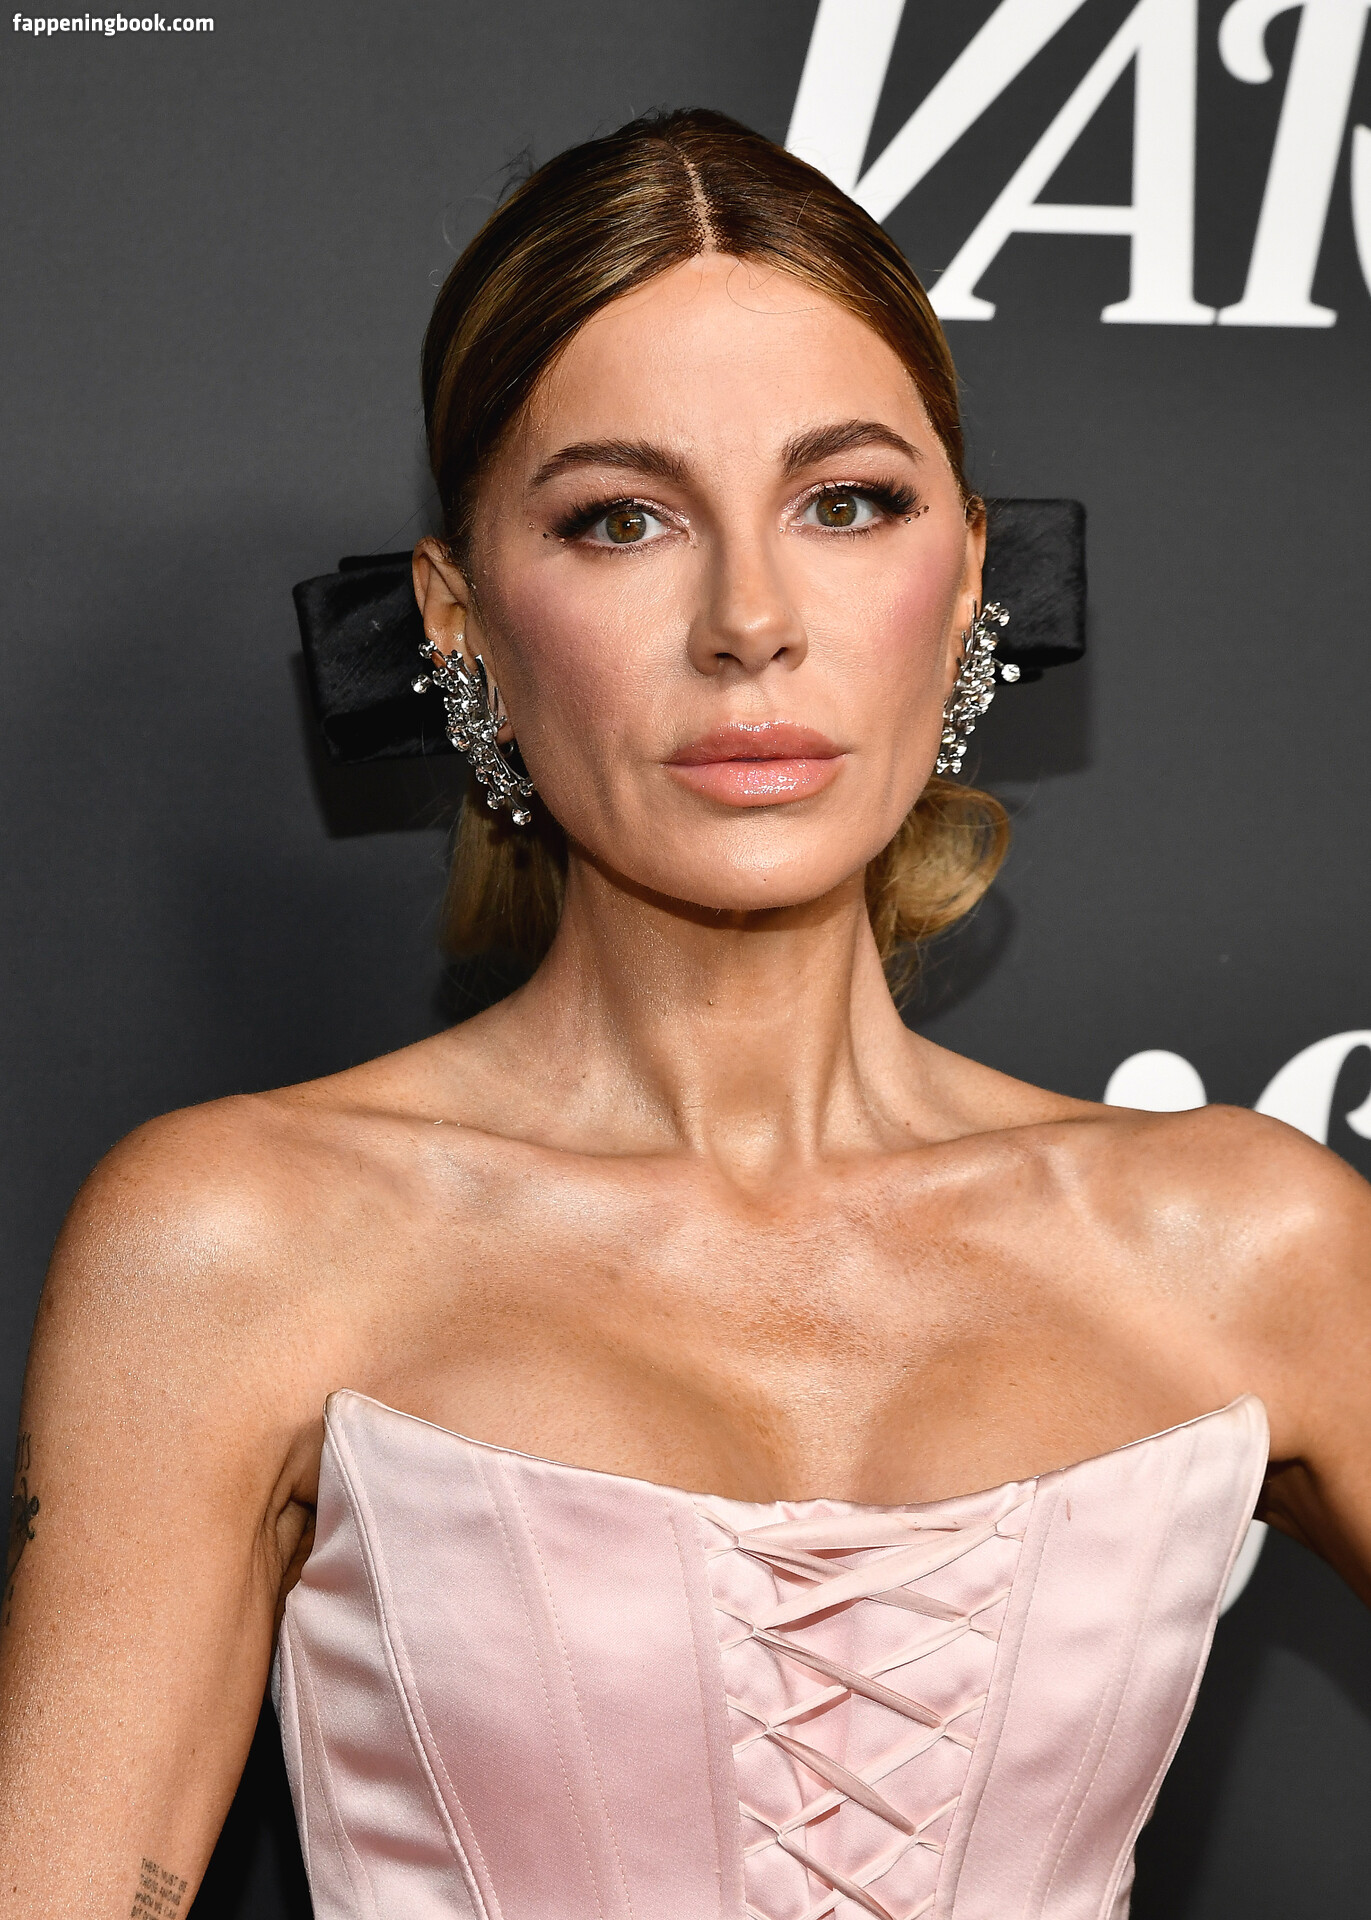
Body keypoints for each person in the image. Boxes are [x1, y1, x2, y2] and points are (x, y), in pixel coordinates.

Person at [1, 107, 1368, 1920]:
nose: (749, 622)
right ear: (458, 619)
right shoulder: (239, 1245)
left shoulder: (1254, 1244)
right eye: (621, 519)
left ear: (966, 580)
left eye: (847, 502)